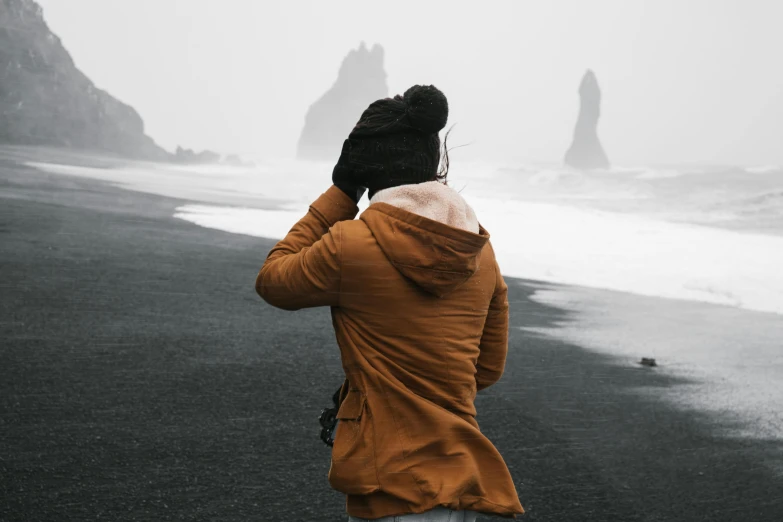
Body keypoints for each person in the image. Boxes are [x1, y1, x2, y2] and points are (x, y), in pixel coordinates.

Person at [255, 85, 524, 521]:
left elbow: (273, 281)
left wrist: (341, 192)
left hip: (396, 489)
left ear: (364, 166)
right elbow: (486, 371)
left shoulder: (350, 246)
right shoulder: (479, 250)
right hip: (469, 485)